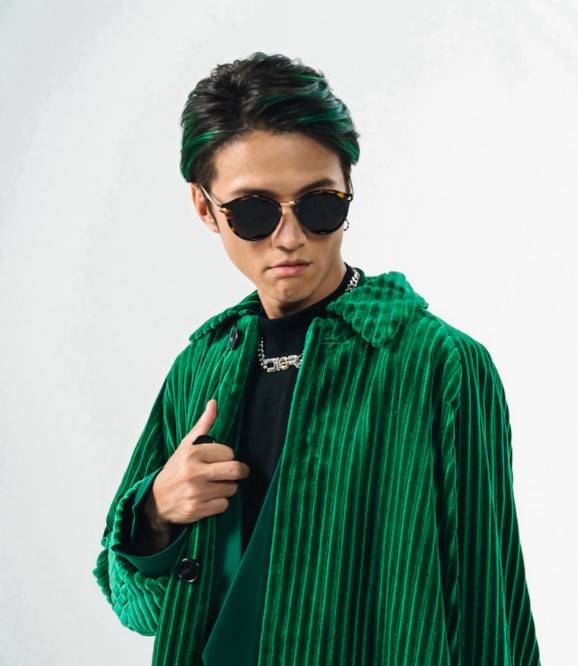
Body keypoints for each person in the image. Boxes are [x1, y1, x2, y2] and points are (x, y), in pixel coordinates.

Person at [91, 51, 542, 665]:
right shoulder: (201, 367)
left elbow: (488, 607)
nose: (290, 237)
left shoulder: (439, 365)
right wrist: (155, 514)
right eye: (253, 212)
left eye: (319, 205)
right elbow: (138, 610)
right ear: (204, 207)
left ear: (349, 191)